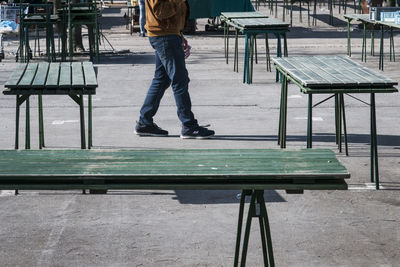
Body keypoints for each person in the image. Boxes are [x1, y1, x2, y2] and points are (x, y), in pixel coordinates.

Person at [134, 0, 215, 139]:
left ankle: (144, 122)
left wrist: (179, 34)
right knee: (180, 80)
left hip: (167, 34)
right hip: (164, 36)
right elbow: (160, 12)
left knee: (162, 79)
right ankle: (189, 125)